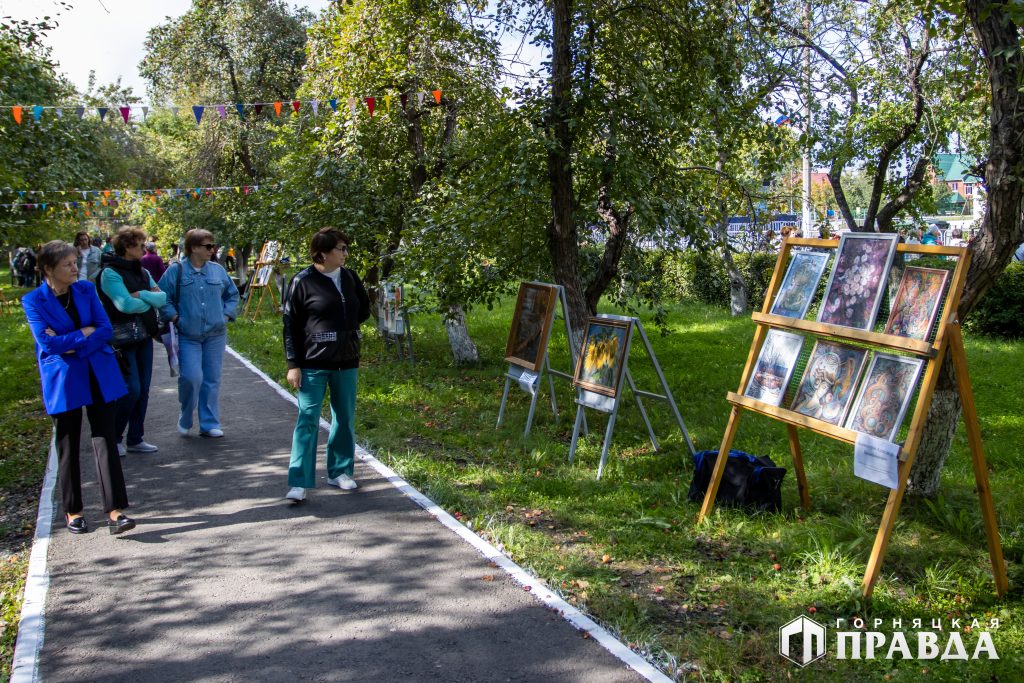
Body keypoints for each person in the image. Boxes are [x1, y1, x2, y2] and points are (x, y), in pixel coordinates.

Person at [21, 241, 136, 535]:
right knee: (68, 443)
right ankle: (74, 512)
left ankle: (115, 512)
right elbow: (46, 343)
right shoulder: (34, 300)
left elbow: (105, 329)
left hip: (98, 373)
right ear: (48, 269)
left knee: (105, 440)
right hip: (64, 379)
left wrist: (71, 342)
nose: (75, 268)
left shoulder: (85, 289)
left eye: (74, 262)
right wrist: (84, 334)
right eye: (67, 264)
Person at [282, 228, 370, 501]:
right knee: (307, 419)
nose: (345, 254)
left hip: (347, 361)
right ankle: (298, 481)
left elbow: (363, 310)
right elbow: (290, 326)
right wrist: (293, 364)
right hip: (312, 363)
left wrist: (345, 334)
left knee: (344, 417)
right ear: (322, 252)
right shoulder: (302, 281)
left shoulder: (351, 277)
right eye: (340, 248)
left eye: (346, 248)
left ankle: (340, 472)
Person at [159, 229, 239, 438]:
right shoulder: (175, 271)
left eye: (212, 246)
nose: (212, 250)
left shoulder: (217, 270)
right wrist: (176, 318)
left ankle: (209, 423)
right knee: (191, 377)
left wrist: (226, 316)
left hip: (215, 334)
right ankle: (185, 415)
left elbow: (233, 295)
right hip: (188, 335)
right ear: (193, 247)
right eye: (208, 246)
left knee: (211, 379)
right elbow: (162, 298)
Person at [98, 227, 167, 456]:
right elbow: (124, 305)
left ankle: (136, 438)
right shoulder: (110, 273)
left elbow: (162, 297)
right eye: (140, 245)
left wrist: (142, 296)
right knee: (131, 389)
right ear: (127, 247)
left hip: (144, 335)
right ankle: (115, 436)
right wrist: (145, 298)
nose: (144, 249)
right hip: (122, 340)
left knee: (144, 389)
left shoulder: (143, 272)